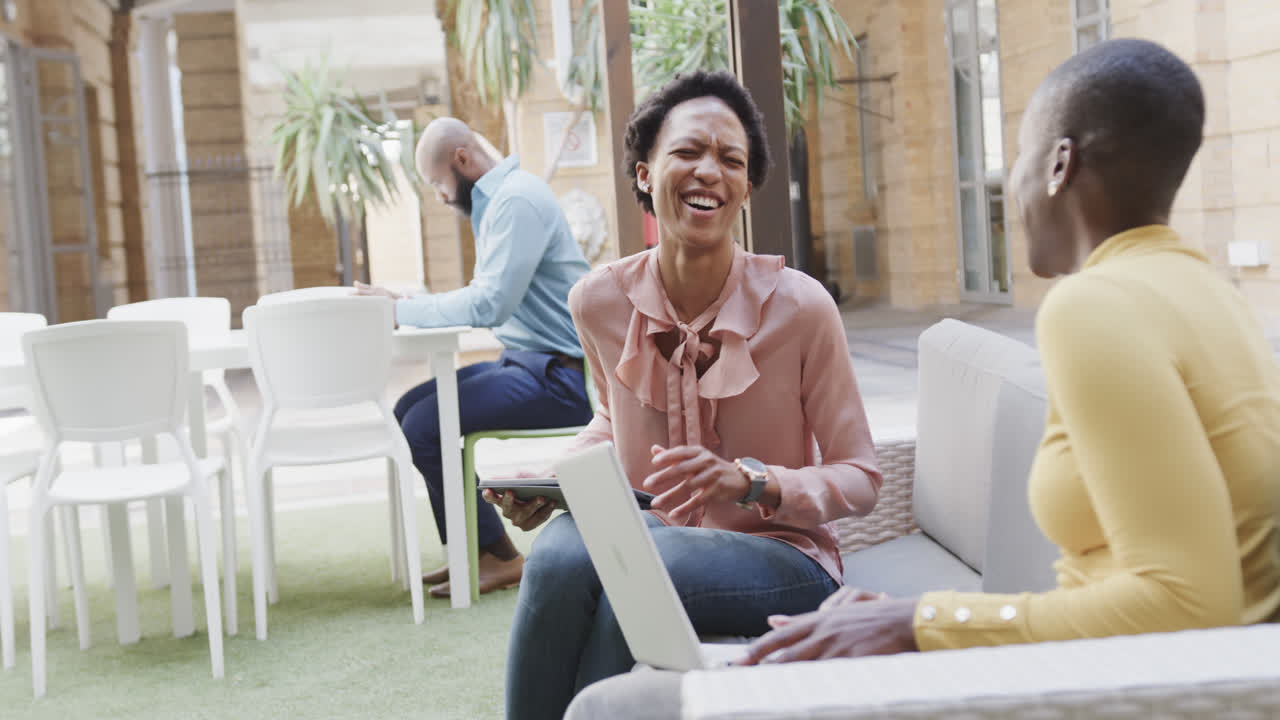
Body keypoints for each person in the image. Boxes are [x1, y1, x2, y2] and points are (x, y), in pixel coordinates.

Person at [564, 37, 1280, 719]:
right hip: (1138, 670)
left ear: (1058, 165)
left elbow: (1191, 607)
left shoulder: (1094, 306)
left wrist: (926, 619)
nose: (1012, 190)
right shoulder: (1210, 293)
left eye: (1017, 155)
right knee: (592, 591)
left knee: (609, 704)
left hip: (1118, 685)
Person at [487, 69, 884, 720]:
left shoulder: (803, 308)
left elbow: (862, 478)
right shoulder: (598, 302)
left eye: (732, 160)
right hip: (654, 529)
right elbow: (612, 424)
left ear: (747, 188)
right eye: (687, 152)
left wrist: (752, 482)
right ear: (645, 172)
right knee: (557, 553)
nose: (710, 171)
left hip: (784, 553)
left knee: (645, 570)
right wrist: (552, 481)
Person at [356, 117, 594, 598]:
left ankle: (494, 556)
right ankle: (482, 551)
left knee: (426, 424)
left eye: (438, 182)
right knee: (410, 410)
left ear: (462, 159)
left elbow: (490, 304)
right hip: (527, 362)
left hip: (561, 378)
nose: (441, 197)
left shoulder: (517, 201)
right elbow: (486, 297)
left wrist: (399, 309)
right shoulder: (501, 203)